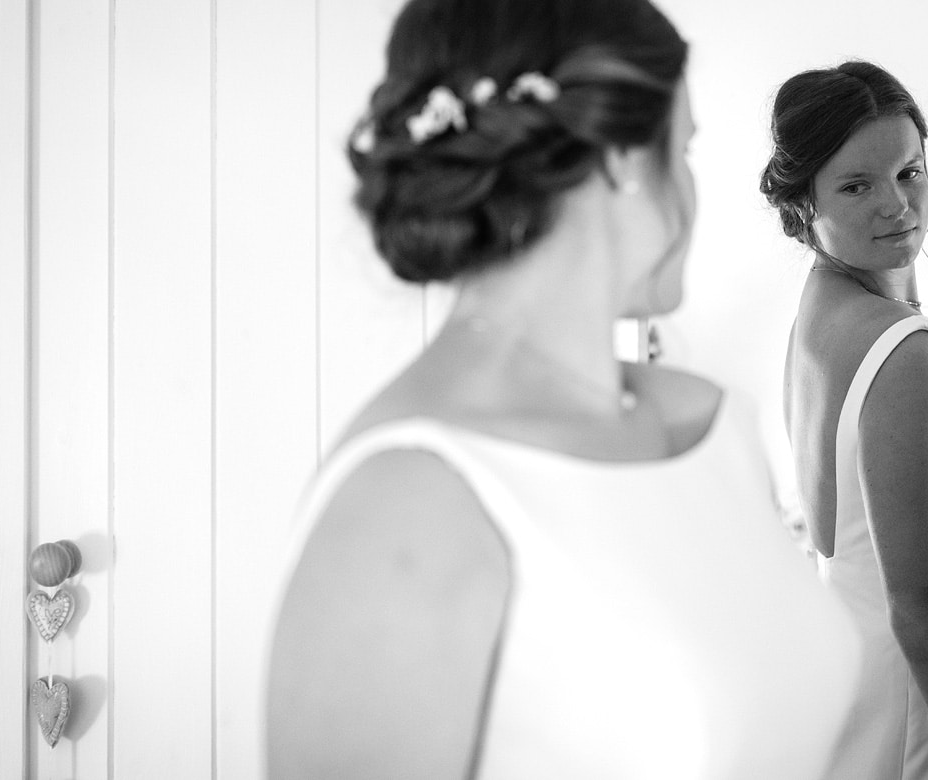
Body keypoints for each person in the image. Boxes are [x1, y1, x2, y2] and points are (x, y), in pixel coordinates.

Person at [266, 1, 861, 776]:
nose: (691, 185)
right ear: (620, 155)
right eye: (682, 149)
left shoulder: (714, 424)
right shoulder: (404, 506)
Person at [760, 60, 928, 778]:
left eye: (909, 172)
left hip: (841, 679)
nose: (897, 205)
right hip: (906, 702)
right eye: (856, 185)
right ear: (803, 204)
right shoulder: (901, 350)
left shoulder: (817, 311)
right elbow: (924, 609)